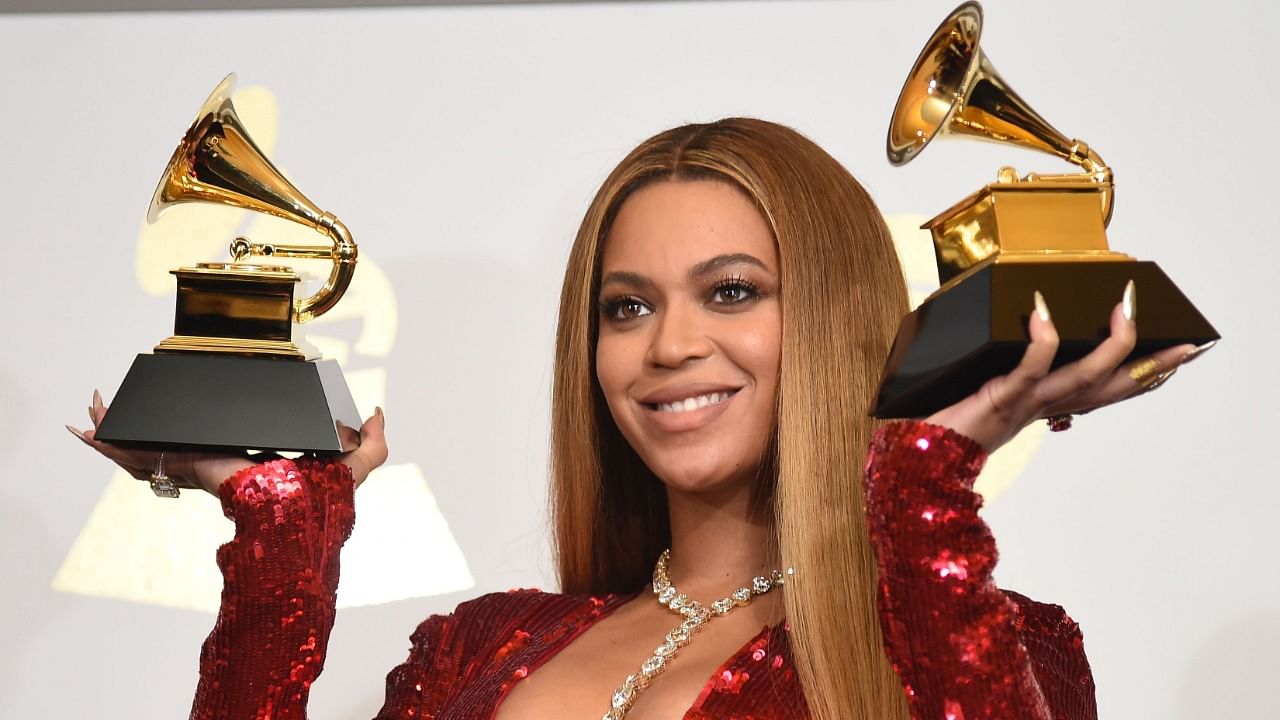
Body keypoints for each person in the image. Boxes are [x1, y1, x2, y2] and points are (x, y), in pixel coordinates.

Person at [71, 118, 1203, 720]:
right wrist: (281, 537)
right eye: (626, 307)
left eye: (731, 291)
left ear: (835, 316)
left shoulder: (989, 646)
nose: (667, 345)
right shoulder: (476, 649)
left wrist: (920, 479)